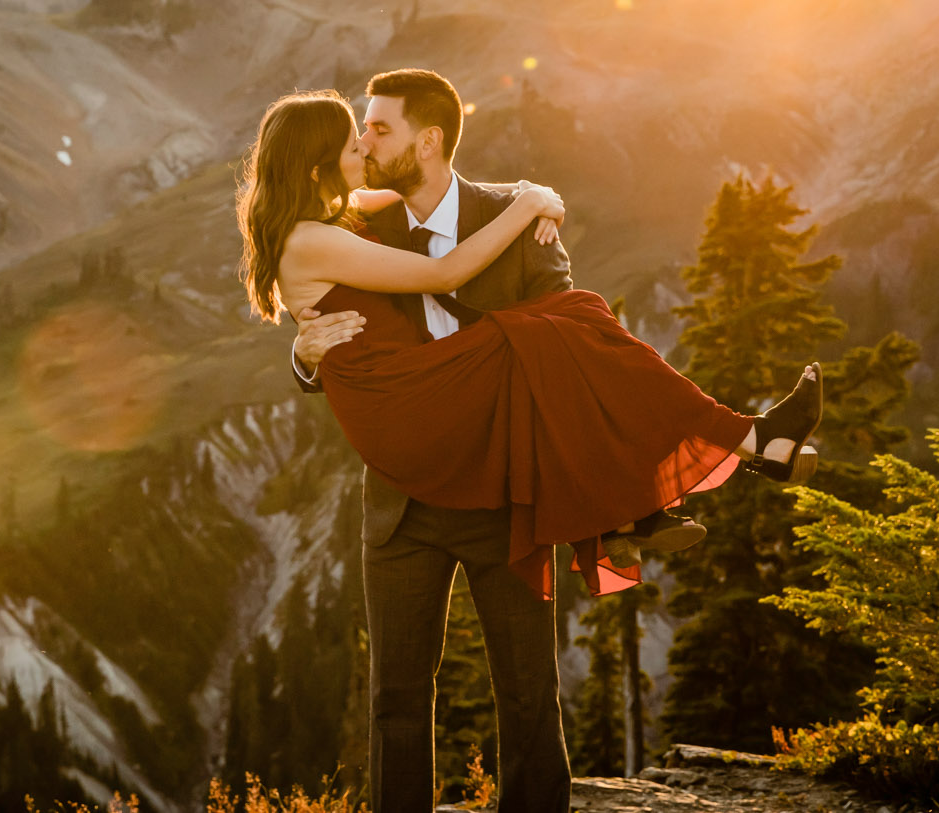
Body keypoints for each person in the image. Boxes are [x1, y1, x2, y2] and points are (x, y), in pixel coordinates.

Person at [237, 70, 820, 813]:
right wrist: (304, 354)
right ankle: (737, 447)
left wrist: (530, 196)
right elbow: (415, 286)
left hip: (498, 478)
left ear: (430, 140)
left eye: (377, 130)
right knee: (396, 695)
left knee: (527, 685)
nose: (366, 143)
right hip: (408, 477)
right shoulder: (346, 228)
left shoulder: (365, 208)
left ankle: (715, 460)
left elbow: (543, 307)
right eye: (357, 136)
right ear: (322, 160)